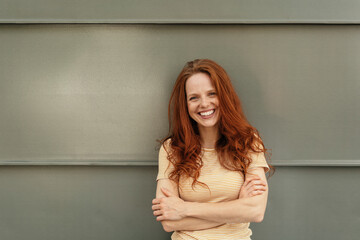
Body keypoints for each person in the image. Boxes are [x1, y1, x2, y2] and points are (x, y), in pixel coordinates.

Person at [152, 59, 273, 240]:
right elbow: (169, 222)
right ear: (185, 104)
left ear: (224, 96)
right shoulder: (172, 149)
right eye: (194, 97)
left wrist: (185, 209)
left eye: (211, 94)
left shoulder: (248, 142)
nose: (204, 104)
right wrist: (237, 208)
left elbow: (255, 211)